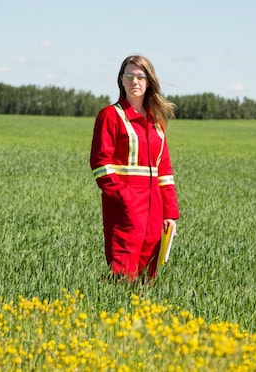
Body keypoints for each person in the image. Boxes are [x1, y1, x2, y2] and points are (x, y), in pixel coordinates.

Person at [90, 55, 180, 283]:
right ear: (121, 80)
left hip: (155, 209)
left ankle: (141, 315)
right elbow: (101, 164)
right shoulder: (110, 116)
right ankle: (113, 312)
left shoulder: (156, 121)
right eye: (129, 76)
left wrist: (169, 213)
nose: (135, 82)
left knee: (148, 272)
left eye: (140, 77)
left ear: (149, 81)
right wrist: (123, 197)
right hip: (124, 207)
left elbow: (165, 172)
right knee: (122, 269)